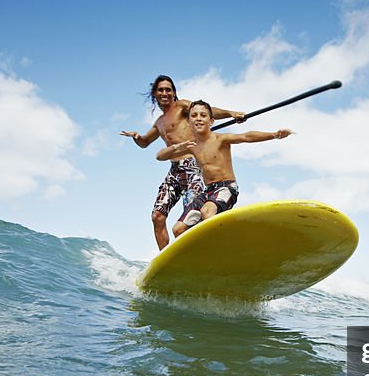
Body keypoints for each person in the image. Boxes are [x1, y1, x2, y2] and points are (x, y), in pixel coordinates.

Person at [120, 75, 244, 250]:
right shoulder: (159, 123)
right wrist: (136, 137)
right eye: (161, 90)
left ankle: (209, 249)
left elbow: (209, 111)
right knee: (157, 216)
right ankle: (168, 260)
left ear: (174, 93)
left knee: (192, 215)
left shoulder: (182, 107)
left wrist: (231, 114)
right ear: (155, 94)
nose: (165, 93)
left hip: (193, 165)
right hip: (174, 170)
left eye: (168, 89)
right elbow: (145, 142)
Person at [155, 99, 292, 237]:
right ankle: (199, 255)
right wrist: (178, 147)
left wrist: (274, 135)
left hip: (226, 188)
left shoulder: (220, 139)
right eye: (194, 115)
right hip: (208, 192)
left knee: (207, 212)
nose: (198, 119)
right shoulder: (191, 147)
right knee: (178, 229)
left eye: (203, 115)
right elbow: (160, 156)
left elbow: (247, 136)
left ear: (211, 121)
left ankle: (226, 243)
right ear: (189, 122)